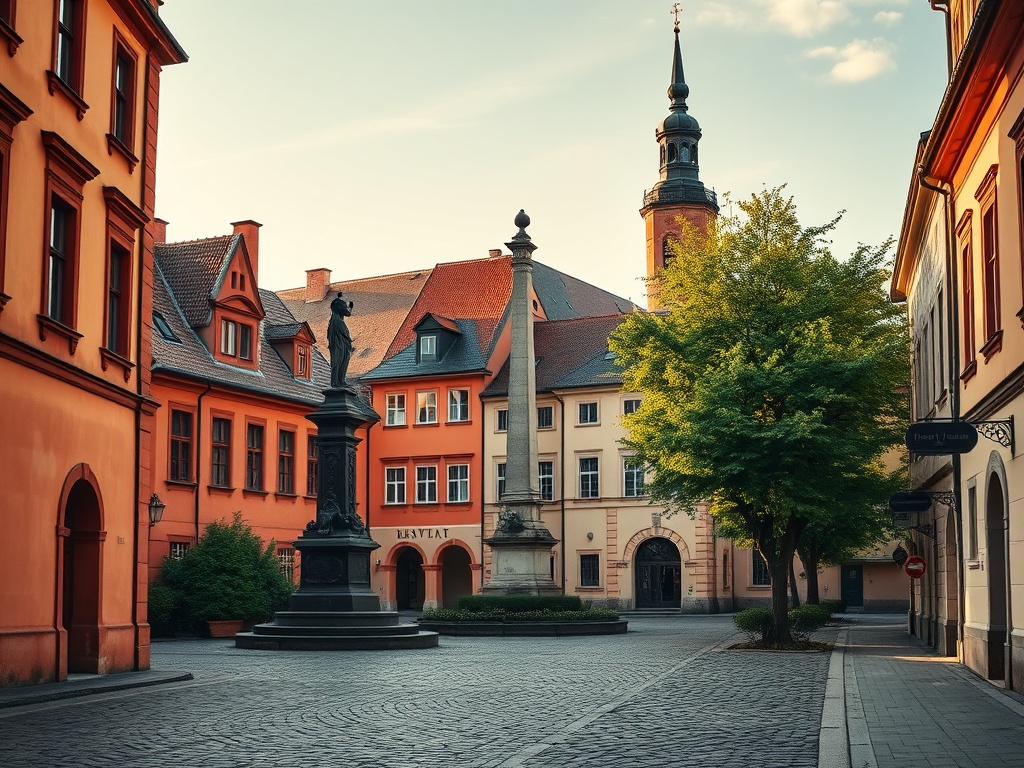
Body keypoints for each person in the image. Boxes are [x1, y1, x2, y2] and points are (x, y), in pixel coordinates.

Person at [327, 292, 354, 388]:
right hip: (339, 346)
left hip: (343, 346)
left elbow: (347, 313)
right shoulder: (337, 321)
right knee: (338, 363)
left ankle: (340, 381)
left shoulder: (336, 320)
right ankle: (337, 382)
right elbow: (345, 334)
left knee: (342, 362)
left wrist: (350, 307)